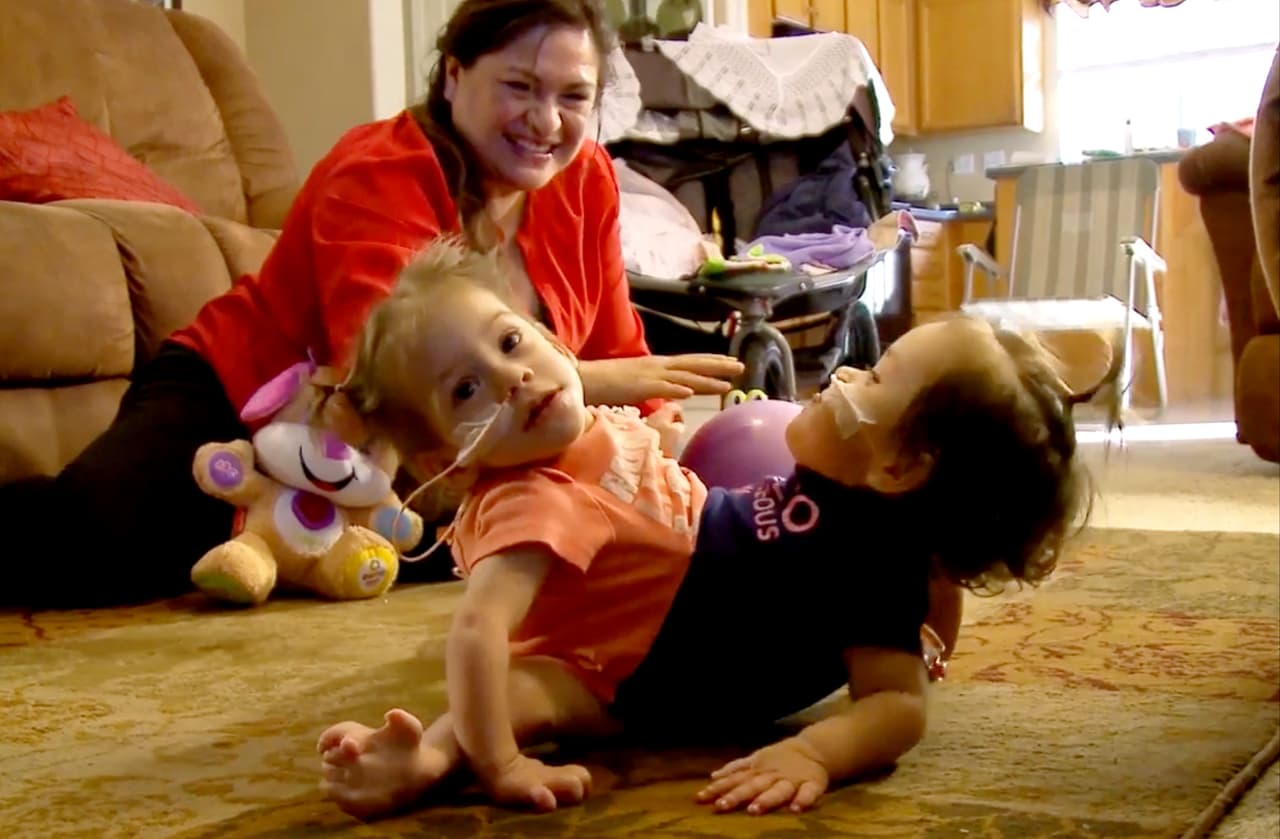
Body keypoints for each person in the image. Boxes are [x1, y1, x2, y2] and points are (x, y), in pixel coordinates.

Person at [314, 238, 1103, 819]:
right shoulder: (539, 498)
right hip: (655, 629)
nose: (513, 376)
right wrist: (501, 762)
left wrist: (815, 750)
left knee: (532, 688)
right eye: (466, 390)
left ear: (899, 469)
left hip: (671, 659)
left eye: (875, 374)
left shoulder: (872, 559)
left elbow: (898, 704)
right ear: (442, 455)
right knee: (518, 690)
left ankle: (431, 754)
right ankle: (436, 755)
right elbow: (476, 630)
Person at [0, 0, 742, 608]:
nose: (547, 121)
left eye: (573, 97)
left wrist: (665, 454)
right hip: (239, 396)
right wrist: (592, 383)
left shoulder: (587, 181)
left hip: (415, 461)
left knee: (550, 546)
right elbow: (390, 384)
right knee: (93, 551)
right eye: (519, 87)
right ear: (454, 76)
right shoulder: (378, 170)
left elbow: (621, 352)